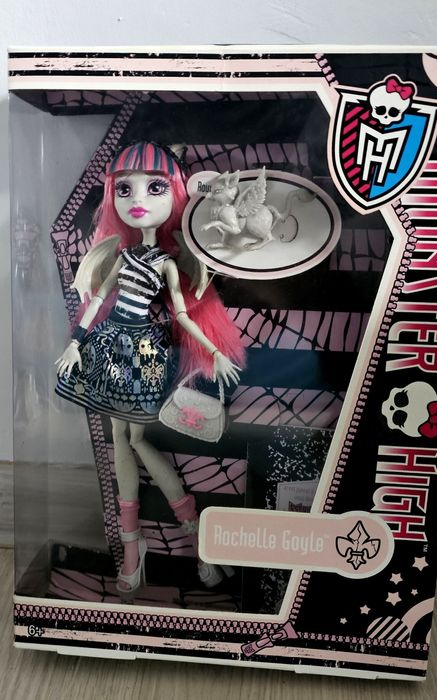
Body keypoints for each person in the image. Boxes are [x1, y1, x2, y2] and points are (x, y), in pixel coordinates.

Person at [55, 142, 244, 594]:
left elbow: (182, 315)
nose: (137, 198)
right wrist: (75, 343)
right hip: (110, 345)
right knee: (120, 436)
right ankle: (139, 547)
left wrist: (214, 350)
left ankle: (190, 541)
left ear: (174, 195)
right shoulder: (121, 255)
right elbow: (97, 300)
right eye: (125, 189)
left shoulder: (167, 262)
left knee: (135, 437)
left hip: (140, 351)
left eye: (155, 187)